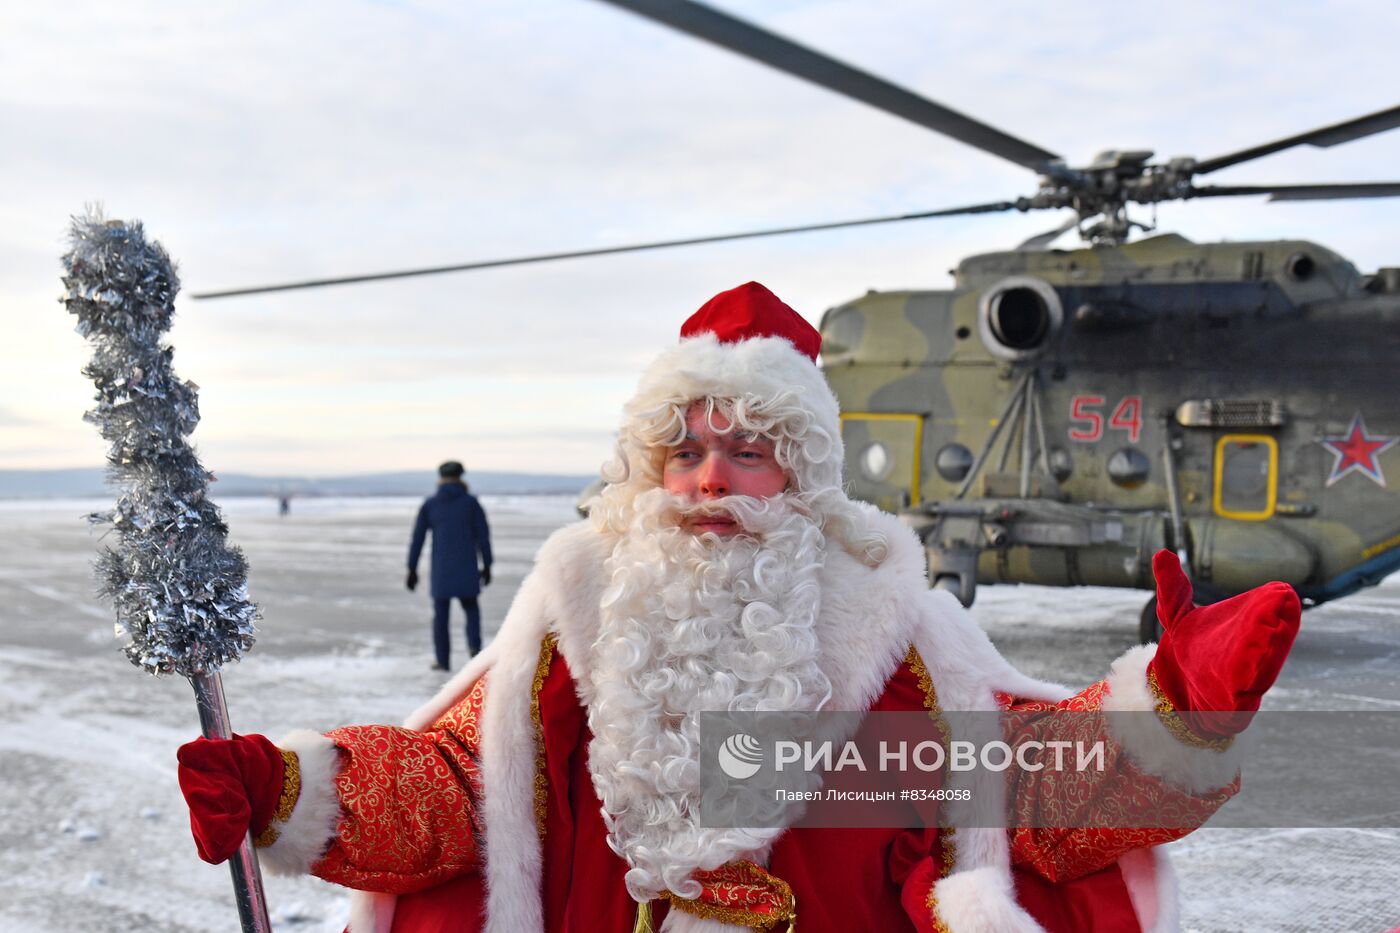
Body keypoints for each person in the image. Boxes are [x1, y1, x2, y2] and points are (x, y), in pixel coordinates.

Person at [177, 283, 1300, 932]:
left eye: (749, 451)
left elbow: (1032, 797)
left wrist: (1172, 708)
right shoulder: (574, 613)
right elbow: (460, 790)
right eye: (684, 450)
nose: (710, 479)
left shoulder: (897, 631)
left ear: (803, 475)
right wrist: (291, 789)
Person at [407, 460, 493, 669]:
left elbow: (418, 538)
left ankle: (443, 660)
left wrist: (412, 568)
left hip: (442, 569)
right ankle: (474, 651)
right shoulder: (471, 503)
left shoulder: (431, 504)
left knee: (441, 616)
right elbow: (483, 535)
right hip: (467, 566)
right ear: (461, 477)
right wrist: (487, 564)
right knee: (471, 609)